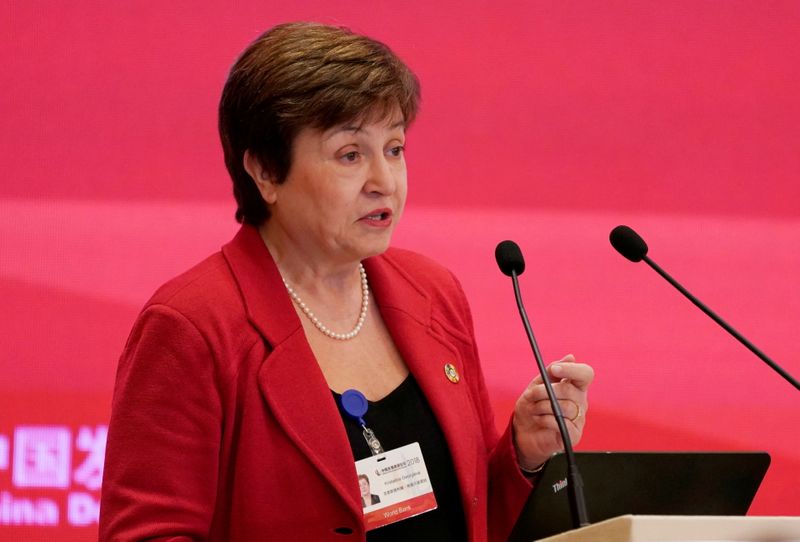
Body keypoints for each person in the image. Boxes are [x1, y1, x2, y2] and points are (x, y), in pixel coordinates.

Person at [99, 22, 594, 541]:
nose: (384, 181)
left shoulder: (432, 293)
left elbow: (467, 519)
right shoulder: (193, 326)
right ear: (266, 171)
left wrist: (523, 452)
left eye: (395, 149)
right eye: (351, 155)